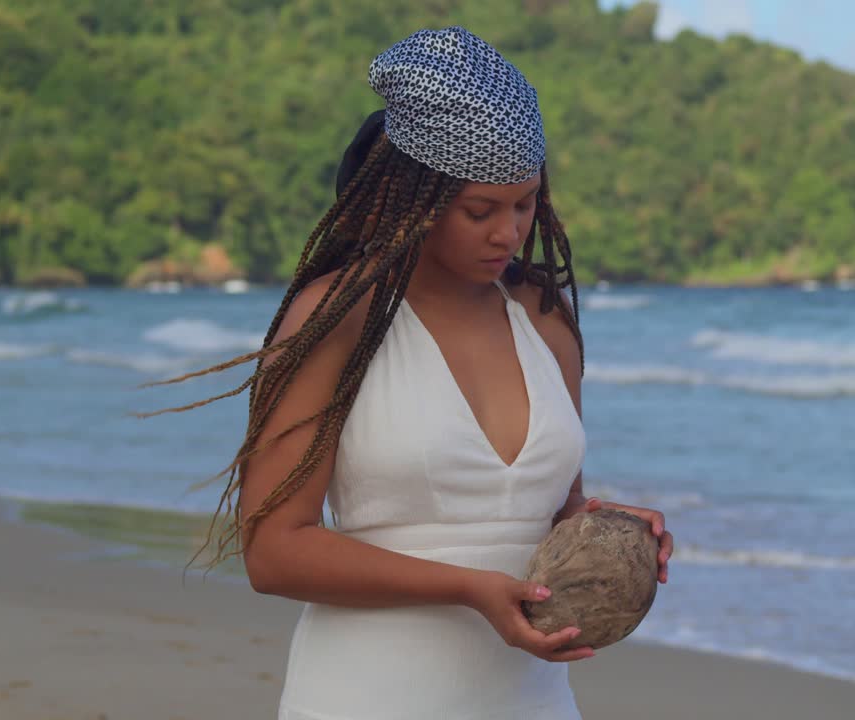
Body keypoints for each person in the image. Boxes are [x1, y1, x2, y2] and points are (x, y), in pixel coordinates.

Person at [145, 27, 674, 719]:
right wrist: (468, 588)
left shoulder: (543, 320)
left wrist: (615, 534)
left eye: (524, 205)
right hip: (371, 694)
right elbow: (272, 552)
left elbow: (550, 514)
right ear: (413, 196)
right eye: (478, 210)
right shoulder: (336, 319)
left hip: (530, 700)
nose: (507, 233)